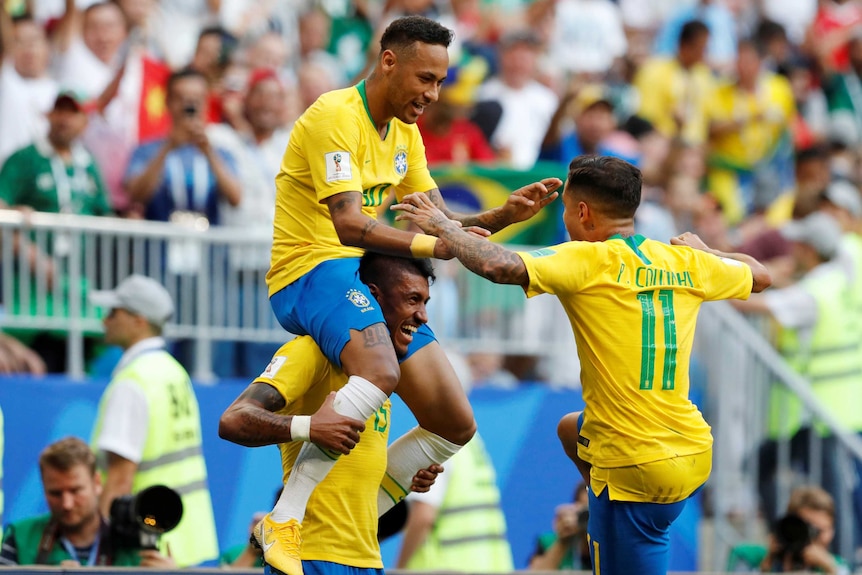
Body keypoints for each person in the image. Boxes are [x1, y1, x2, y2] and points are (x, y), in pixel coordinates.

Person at [263, 14, 561, 575]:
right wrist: (434, 243)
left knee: (454, 422)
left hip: (365, 281)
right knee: (381, 373)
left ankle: (368, 507)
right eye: (425, 78)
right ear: (388, 62)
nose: (433, 94)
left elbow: (442, 223)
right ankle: (286, 518)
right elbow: (350, 225)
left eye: (441, 82)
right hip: (311, 271)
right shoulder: (334, 115)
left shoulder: (404, 133)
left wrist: (502, 215)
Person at [393, 155, 771, 575]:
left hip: (635, 462)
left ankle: (606, 505)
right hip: (692, 450)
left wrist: (443, 225)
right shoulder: (683, 260)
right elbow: (760, 276)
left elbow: (497, 265)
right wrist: (708, 251)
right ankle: (599, 504)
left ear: (584, 213)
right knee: (571, 428)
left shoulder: (588, 260)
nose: (567, 222)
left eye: (567, 210)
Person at [219, 252, 446, 575]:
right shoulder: (310, 350)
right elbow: (233, 420)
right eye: (412, 300)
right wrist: (308, 427)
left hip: (366, 560)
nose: (422, 316)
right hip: (306, 557)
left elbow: (346, 475)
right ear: (371, 296)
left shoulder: (380, 376)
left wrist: (407, 477)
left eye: (425, 302)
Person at [89, 274, 218, 567]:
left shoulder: (133, 381)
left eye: (114, 312)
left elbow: (119, 479)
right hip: (185, 538)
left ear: (139, 320)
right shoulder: (174, 371)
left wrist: (97, 555)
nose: (104, 320)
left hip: (145, 545)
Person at [0, 436, 174, 567]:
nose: (67, 503)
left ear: (97, 483)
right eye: (55, 493)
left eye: (76, 491)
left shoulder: (135, 545)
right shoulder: (20, 537)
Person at [395, 431, 514, 571]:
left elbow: (423, 516)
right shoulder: (471, 445)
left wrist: (399, 569)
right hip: (491, 566)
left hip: (447, 568)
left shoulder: (436, 443)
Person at [727, 485, 849, 574]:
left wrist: (831, 570)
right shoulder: (747, 556)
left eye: (820, 531)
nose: (812, 537)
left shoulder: (837, 566)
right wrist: (766, 565)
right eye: (806, 528)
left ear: (831, 531)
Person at [528, 482, 591, 571]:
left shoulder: (614, 543)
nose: (590, 519)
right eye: (585, 512)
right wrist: (562, 542)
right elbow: (534, 572)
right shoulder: (548, 542)